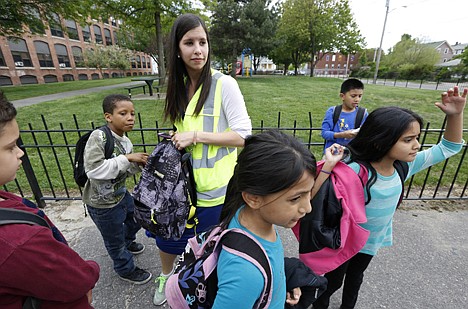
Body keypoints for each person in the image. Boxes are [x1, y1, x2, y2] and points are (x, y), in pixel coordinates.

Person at [312, 86, 467, 309]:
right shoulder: (354, 170)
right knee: (333, 281)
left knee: (355, 279)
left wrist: (455, 115)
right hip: (342, 241)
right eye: (408, 140)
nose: (417, 145)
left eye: (417, 138)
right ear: (380, 141)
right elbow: (314, 197)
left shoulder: (404, 166)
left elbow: (449, 147)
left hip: (370, 241)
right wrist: (328, 166)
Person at [151, 13, 252, 305]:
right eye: (189, 43)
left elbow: (244, 136)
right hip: (180, 186)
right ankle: (167, 278)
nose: (198, 50)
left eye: (203, 42)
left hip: (214, 190)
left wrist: (195, 136)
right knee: (167, 238)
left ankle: (195, 285)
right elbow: (183, 130)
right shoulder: (179, 87)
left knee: (204, 246)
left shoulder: (224, 85)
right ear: (177, 49)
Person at [0, 91, 100, 308]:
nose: (20, 153)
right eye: (10, 147)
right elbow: (76, 281)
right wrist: (91, 267)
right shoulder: (18, 241)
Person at [214, 130, 316, 308]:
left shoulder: (253, 218)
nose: (308, 208)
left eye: (309, 193)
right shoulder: (245, 273)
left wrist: (280, 284)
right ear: (253, 198)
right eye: (295, 198)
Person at [82, 94, 151, 284]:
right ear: (108, 116)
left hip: (121, 195)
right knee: (114, 241)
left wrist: (139, 164)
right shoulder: (99, 137)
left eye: (132, 114)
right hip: (102, 203)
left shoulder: (125, 141)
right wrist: (128, 159)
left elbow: (122, 170)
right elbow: (94, 170)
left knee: (137, 218)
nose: (130, 118)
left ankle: (127, 241)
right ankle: (125, 269)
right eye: (123, 113)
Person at [321, 78, 368, 150]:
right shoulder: (333, 111)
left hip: (353, 154)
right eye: (353, 96)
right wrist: (342, 135)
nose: (357, 99)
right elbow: (324, 133)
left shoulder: (363, 113)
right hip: (333, 153)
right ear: (342, 96)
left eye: (360, 96)